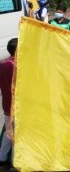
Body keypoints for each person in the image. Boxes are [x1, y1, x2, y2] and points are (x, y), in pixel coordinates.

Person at [0, 39, 17, 168]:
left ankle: (2, 157)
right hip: (16, 106)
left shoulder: (3, 64)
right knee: (16, 134)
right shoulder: (16, 66)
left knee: (8, 131)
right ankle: (14, 162)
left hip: (6, 103)